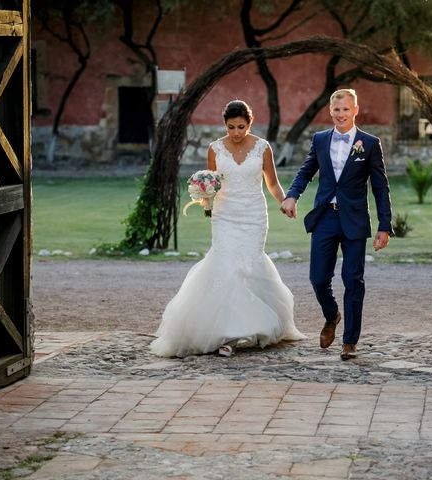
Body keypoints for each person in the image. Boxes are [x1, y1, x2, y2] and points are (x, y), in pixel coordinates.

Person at [150, 100, 306, 357]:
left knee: (249, 266)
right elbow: (212, 182)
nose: (236, 132)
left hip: (254, 216)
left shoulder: (262, 148)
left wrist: (286, 202)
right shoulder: (215, 149)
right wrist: (205, 195)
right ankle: (228, 333)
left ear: (250, 123)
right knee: (226, 267)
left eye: (241, 126)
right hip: (224, 216)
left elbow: (273, 183)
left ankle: (254, 326)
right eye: (231, 127)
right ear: (225, 124)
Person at [281, 89, 393, 361]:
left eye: (345, 109)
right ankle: (332, 316)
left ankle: (350, 342)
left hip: (354, 220)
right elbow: (306, 171)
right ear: (330, 112)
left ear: (355, 110)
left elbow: (380, 187)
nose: (340, 114)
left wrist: (384, 225)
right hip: (325, 218)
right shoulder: (320, 140)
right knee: (318, 278)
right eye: (336, 110)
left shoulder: (369, 143)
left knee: (353, 280)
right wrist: (292, 195)